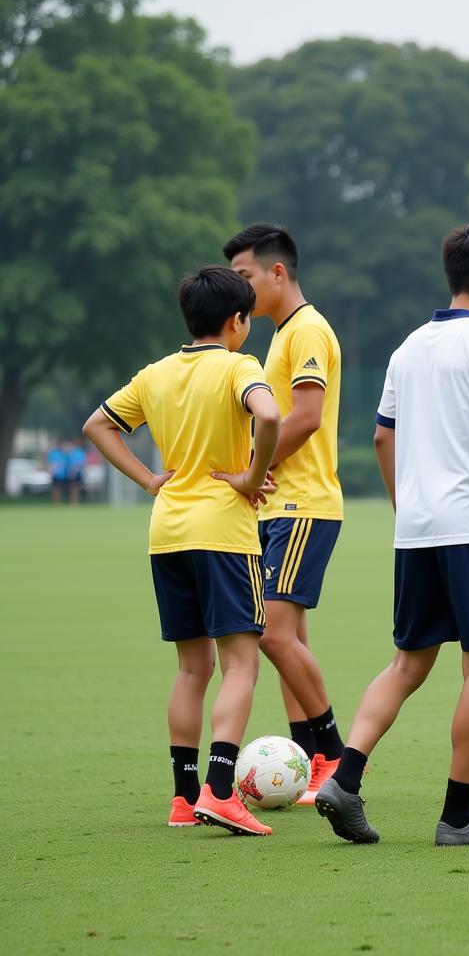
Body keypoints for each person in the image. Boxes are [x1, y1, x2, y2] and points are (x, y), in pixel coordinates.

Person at [315, 222, 469, 846]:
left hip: (418, 529)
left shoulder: (408, 347)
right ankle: (458, 818)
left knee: (407, 662)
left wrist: (410, 507)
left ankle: (345, 776)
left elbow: (382, 436)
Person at [83, 266, 281, 836]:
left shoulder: (155, 374)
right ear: (237, 321)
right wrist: (250, 476)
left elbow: (98, 425)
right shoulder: (240, 366)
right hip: (223, 533)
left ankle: (182, 797)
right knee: (241, 663)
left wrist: (149, 479)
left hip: (167, 532)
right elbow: (268, 414)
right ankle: (221, 793)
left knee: (191, 668)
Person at [224, 224, 346, 804]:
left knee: (272, 635)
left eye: (244, 276)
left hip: (303, 504)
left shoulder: (309, 330)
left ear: (277, 273)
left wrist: (254, 462)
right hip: (277, 505)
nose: (238, 289)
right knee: (288, 638)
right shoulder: (278, 335)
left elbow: (308, 415)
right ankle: (310, 761)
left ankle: (337, 758)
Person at [67, 438, 87, 505]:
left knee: (76, 487)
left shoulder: (80, 452)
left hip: (78, 473)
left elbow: (82, 462)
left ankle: (76, 501)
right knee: (72, 487)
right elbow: (70, 463)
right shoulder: (72, 452)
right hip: (72, 472)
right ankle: (73, 501)